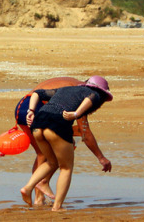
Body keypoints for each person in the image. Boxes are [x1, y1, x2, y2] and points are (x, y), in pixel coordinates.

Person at [20, 76, 113, 211]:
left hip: (38, 123)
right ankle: (57, 207)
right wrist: (76, 114)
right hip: (56, 123)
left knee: (52, 162)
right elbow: (91, 98)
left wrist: (31, 111)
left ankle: (27, 187)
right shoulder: (95, 94)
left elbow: (37, 94)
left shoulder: (65, 89)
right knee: (66, 168)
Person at [14, 77, 82, 206]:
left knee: (44, 152)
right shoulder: (83, 94)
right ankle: (39, 196)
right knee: (45, 154)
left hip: (23, 106)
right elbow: (86, 132)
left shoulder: (71, 84)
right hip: (37, 107)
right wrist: (101, 158)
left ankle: (38, 191)